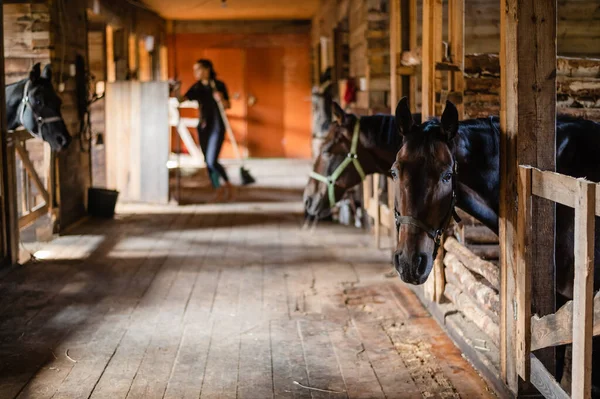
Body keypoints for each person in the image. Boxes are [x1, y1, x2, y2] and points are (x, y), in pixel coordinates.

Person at [178, 59, 235, 202]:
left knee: (211, 160)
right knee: (207, 160)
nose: (195, 73)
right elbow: (182, 99)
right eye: (194, 70)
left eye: (198, 69)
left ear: (207, 69)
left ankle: (227, 185)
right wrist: (175, 89)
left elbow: (228, 105)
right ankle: (217, 187)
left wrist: (221, 99)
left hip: (218, 126)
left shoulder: (219, 85)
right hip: (204, 126)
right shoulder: (197, 87)